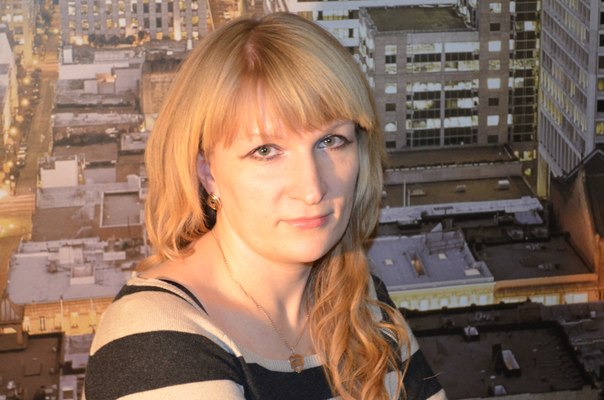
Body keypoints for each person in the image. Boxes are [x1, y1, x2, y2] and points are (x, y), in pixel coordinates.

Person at [84, 12, 446, 400]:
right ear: (207, 171)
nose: (312, 189)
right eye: (266, 151)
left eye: (330, 141)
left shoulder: (360, 301)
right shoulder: (154, 342)